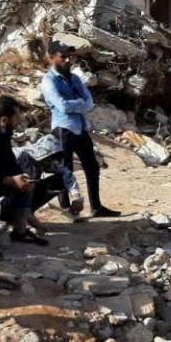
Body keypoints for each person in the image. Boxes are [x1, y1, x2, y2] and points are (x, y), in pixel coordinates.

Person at [40, 38, 119, 218]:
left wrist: (77, 103)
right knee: (65, 169)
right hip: (62, 129)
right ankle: (66, 209)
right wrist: (80, 103)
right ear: (52, 58)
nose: (67, 60)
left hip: (80, 127)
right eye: (63, 57)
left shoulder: (75, 78)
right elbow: (63, 106)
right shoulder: (48, 81)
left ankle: (96, 207)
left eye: (69, 57)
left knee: (92, 166)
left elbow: (90, 102)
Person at [0, 97, 47, 247]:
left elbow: (9, 161)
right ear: (4, 120)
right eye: (17, 117)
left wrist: (20, 177)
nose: (19, 121)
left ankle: (20, 230)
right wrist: (10, 180)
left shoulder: (3, 134)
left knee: (25, 185)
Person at [14, 134, 85, 232]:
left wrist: (76, 197)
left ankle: (27, 214)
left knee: (60, 180)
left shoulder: (45, 161)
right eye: (50, 159)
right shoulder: (19, 157)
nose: (51, 162)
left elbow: (65, 173)